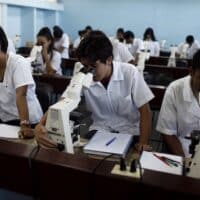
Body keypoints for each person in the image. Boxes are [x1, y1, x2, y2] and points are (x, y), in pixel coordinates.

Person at [35, 30, 154, 152]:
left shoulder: (130, 72)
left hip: (131, 133)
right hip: (99, 133)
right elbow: (64, 100)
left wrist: (143, 143)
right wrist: (41, 125)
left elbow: (145, 111)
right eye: (85, 66)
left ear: (108, 60)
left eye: (93, 66)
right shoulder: (83, 73)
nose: (89, 71)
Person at [0, 26, 43, 138]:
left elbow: (21, 94)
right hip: (6, 121)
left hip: (28, 121)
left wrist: (25, 125)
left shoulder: (18, 63)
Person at [156, 49, 200, 158]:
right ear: (191, 72)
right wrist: (185, 163)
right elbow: (167, 132)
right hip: (183, 149)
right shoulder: (175, 89)